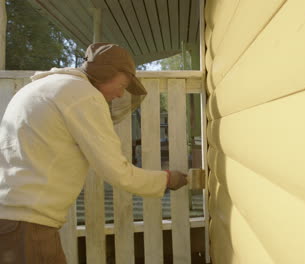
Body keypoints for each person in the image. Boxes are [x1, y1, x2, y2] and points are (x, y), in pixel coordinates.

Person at [0, 43, 188, 263]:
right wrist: (167, 179)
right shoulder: (82, 95)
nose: (120, 95)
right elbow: (118, 172)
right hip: (27, 226)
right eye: (123, 84)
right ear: (107, 73)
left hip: (12, 220)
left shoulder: (43, 87)